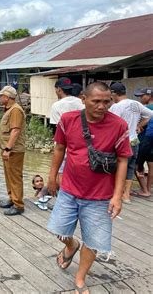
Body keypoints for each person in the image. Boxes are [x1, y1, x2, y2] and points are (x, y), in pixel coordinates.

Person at [46, 82, 131, 294]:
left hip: (100, 196)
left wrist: (117, 196)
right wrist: (52, 176)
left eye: (107, 101)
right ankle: (70, 246)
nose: (102, 106)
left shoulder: (119, 125)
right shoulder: (68, 120)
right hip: (69, 189)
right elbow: (59, 147)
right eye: (96, 101)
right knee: (59, 230)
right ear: (83, 99)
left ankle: (80, 278)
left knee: (93, 241)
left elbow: (122, 160)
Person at [109, 82, 153, 202]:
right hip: (134, 141)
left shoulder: (116, 107)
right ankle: (126, 195)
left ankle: (116, 193)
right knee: (130, 168)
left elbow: (111, 125)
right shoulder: (136, 104)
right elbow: (150, 115)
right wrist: (138, 125)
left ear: (114, 93)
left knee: (118, 168)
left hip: (122, 142)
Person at [0, 85, 26, 216]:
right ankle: (12, 198)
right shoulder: (9, 109)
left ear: (7, 97)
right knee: (9, 175)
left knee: (14, 177)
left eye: (1, 95)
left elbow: (15, 131)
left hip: (14, 149)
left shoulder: (15, 110)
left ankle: (18, 205)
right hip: (7, 149)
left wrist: (8, 148)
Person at [134, 87, 153, 197]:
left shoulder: (145, 109)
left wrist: (138, 126)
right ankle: (149, 188)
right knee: (151, 165)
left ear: (149, 96)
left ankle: (144, 190)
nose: (140, 98)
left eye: (142, 96)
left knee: (137, 165)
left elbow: (138, 125)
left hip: (143, 141)